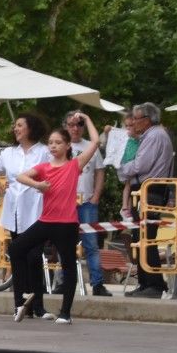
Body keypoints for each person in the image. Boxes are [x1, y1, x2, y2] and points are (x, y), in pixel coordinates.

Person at [11, 113, 102, 324]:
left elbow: (96, 141)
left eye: (58, 142)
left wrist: (87, 119)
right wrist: (38, 185)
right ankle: (22, 297)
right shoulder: (44, 167)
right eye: (50, 143)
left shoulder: (74, 165)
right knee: (16, 249)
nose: (53, 146)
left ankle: (65, 313)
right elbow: (21, 176)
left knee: (68, 265)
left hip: (66, 223)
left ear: (68, 145)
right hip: (46, 221)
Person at [0, 112, 53, 319]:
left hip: (37, 208)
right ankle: (20, 304)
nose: (16, 129)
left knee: (34, 257)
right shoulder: (8, 153)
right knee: (18, 256)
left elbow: (54, 172)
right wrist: (0, 190)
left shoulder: (43, 152)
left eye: (20, 125)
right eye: (15, 125)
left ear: (31, 128)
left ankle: (38, 305)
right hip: (15, 209)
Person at [118, 102, 175, 298]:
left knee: (146, 238)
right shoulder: (152, 135)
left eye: (136, 118)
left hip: (149, 190)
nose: (133, 122)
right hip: (146, 189)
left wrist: (122, 168)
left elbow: (141, 164)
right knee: (140, 238)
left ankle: (154, 284)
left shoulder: (154, 135)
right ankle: (145, 283)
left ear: (147, 120)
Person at [65, 109, 110, 297]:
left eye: (79, 125)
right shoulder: (60, 146)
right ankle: (64, 281)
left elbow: (100, 171)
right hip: (66, 202)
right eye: (71, 125)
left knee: (91, 244)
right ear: (65, 127)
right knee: (65, 243)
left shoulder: (90, 147)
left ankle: (97, 283)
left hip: (87, 201)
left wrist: (96, 195)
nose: (75, 128)